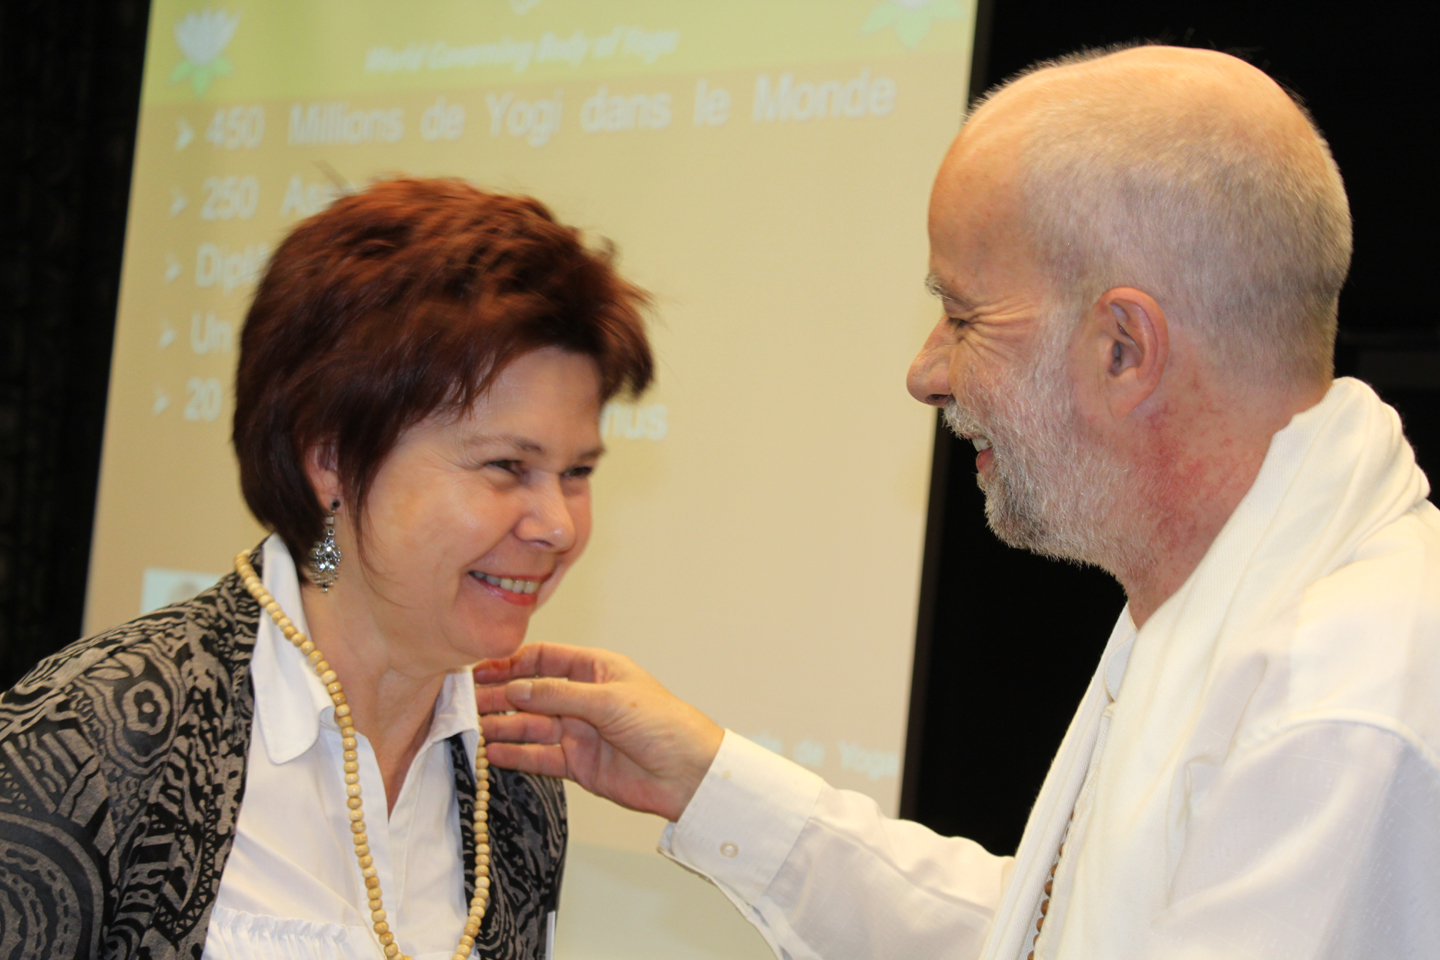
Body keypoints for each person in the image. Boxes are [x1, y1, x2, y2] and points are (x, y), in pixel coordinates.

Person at [474, 45, 1440, 959]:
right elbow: (1052, 932)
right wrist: (709, 782)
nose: (926, 373)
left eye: (965, 317)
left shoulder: (1336, 700)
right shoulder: (1243, 600)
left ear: (1124, 349)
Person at [0, 178, 653, 960]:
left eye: (577, 472)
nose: (557, 525)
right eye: (509, 466)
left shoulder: (514, 777)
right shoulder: (87, 740)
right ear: (332, 460)